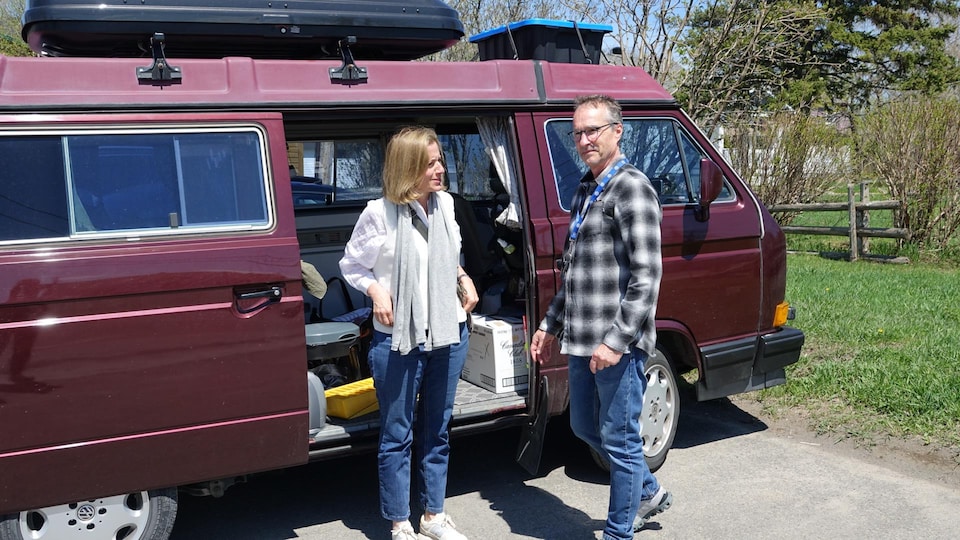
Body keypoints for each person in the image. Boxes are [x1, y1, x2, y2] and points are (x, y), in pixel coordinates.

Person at [530, 95, 672, 540]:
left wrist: (616, 341)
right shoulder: (585, 188)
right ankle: (647, 492)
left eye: (594, 130)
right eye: (578, 132)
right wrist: (548, 323)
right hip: (581, 338)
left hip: (616, 345)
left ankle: (618, 532)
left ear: (617, 131)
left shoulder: (632, 187)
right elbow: (574, 271)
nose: (585, 139)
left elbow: (647, 276)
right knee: (583, 426)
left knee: (622, 440)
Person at [339, 126, 479, 540]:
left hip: (449, 331)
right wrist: (376, 288)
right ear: (408, 167)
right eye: (430, 163)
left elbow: (446, 257)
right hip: (398, 337)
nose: (440, 169)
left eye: (440, 160)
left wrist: (463, 276)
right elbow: (351, 265)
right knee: (397, 434)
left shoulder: (447, 206)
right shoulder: (378, 213)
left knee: (437, 429)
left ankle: (433, 515)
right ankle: (400, 523)